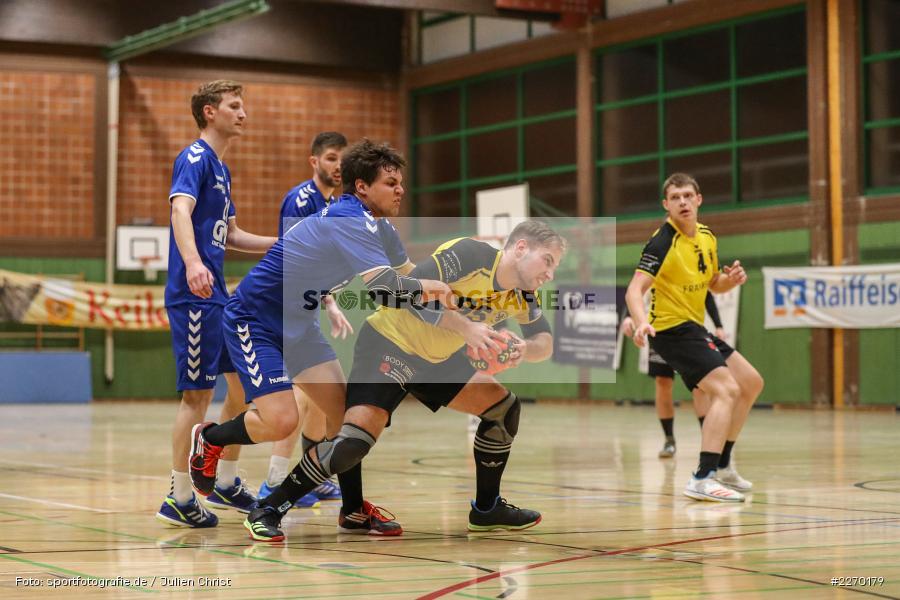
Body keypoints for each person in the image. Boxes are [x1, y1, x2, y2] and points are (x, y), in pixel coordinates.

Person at [243, 220, 565, 542]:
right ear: (521, 248)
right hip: (390, 342)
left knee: (502, 410)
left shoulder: (523, 294)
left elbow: (544, 340)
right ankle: (269, 508)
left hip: (437, 360)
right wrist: (466, 328)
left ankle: (486, 509)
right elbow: (406, 291)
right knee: (352, 442)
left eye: (554, 266)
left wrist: (524, 350)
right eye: (547, 261)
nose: (549, 274)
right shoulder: (470, 255)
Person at [187, 140, 449, 534]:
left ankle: (354, 509)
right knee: (281, 421)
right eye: (391, 182)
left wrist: (465, 293)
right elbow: (385, 287)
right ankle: (211, 437)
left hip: (300, 324)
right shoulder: (349, 218)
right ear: (362, 187)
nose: (400, 190)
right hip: (255, 318)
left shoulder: (382, 228)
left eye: (401, 183)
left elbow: (411, 272)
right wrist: (436, 291)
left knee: (348, 417)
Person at [156, 80, 277, 527]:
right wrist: (191, 262)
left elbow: (234, 235)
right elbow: (179, 212)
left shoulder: (222, 171)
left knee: (243, 389)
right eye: (235, 106)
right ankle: (179, 497)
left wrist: (283, 242)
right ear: (210, 112)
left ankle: (224, 481)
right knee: (197, 397)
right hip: (195, 295)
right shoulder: (193, 159)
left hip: (218, 297)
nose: (243, 114)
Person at [625, 173, 763, 503]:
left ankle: (725, 465)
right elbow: (634, 290)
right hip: (670, 331)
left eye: (688, 195)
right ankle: (702, 477)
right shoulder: (661, 241)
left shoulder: (706, 237)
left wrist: (730, 280)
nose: (683, 202)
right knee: (727, 389)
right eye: (675, 198)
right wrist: (641, 323)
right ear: (666, 205)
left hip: (694, 327)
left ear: (699, 199)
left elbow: (713, 283)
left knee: (751, 382)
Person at [260, 132, 353, 508]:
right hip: (282, 309)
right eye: (331, 158)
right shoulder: (301, 200)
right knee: (302, 395)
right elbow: (295, 261)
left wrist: (329, 303)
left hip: (304, 307)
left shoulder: (334, 202)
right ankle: (275, 481)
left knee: (321, 397)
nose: (337, 166)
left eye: (342, 160)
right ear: (314, 161)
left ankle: (311, 476)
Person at [621, 292, 723, 457]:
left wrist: (719, 325)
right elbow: (637, 291)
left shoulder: (689, 269)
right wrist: (628, 316)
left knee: (699, 386)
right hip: (660, 331)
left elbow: (707, 293)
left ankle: (708, 440)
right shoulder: (653, 268)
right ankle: (669, 440)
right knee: (663, 382)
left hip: (688, 331)